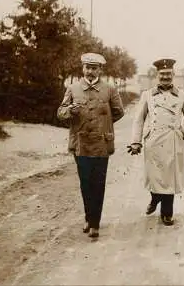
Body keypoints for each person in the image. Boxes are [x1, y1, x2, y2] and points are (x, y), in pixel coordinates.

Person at [57, 52, 125, 239]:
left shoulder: (110, 90)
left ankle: (95, 223)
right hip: (81, 144)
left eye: (94, 68)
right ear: (83, 69)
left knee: (98, 184)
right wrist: (70, 111)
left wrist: (104, 124)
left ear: (100, 70)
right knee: (85, 183)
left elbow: (118, 112)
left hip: (102, 143)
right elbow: (60, 113)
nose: (90, 72)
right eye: (88, 67)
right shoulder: (73, 89)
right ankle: (88, 217)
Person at [128, 58, 184, 226]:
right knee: (155, 176)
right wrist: (136, 141)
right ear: (157, 75)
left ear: (173, 74)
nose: (165, 77)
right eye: (162, 74)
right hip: (153, 142)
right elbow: (139, 119)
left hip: (173, 141)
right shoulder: (147, 95)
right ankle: (155, 197)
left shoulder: (182, 94)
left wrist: (182, 132)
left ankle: (167, 213)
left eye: (168, 74)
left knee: (170, 179)